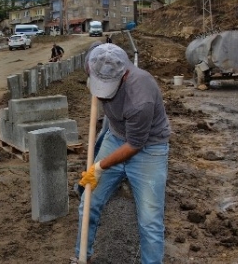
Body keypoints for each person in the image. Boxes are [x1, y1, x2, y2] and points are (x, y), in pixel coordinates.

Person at [71, 43, 170, 264]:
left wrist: (98, 167)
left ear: (124, 75)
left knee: (150, 220)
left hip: (149, 148)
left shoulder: (140, 98)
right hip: (115, 137)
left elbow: (135, 145)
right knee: (88, 202)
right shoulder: (94, 62)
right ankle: (80, 257)